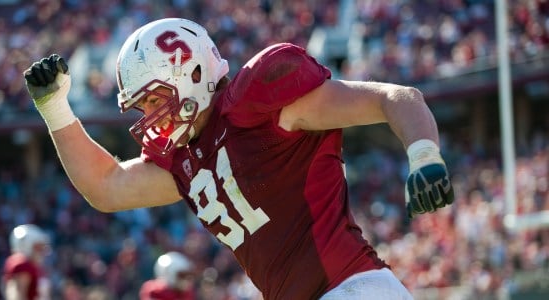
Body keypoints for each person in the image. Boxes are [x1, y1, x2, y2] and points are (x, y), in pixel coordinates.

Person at [23, 18, 454, 299]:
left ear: (191, 73)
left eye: (155, 99)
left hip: (353, 288)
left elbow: (394, 98)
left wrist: (423, 153)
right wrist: (55, 109)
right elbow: (106, 186)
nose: (150, 117)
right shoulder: (186, 161)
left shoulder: (263, 103)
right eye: (143, 107)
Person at [2, 224, 52, 300]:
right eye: (38, 247)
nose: (42, 251)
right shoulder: (22, 265)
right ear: (26, 245)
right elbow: (17, 296)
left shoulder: (34, 267)